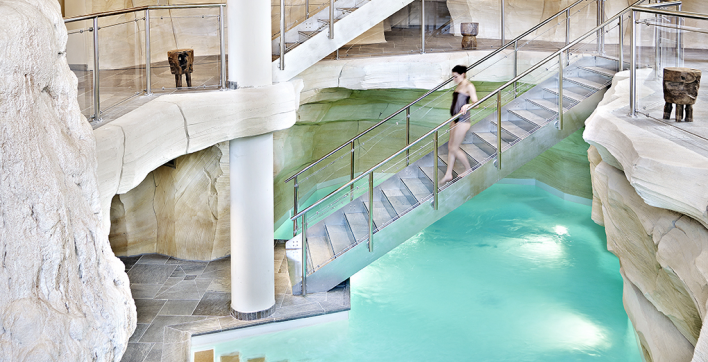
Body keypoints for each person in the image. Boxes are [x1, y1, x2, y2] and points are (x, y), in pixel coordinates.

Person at [440, 65, 478, 185]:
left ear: (462, 74)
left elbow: (476, 103)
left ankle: (468, 169)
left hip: (463, 121)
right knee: (450, 146)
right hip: (455, 119)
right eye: (453, 77)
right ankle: (448, 174)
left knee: (454, 148)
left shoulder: (469, 85)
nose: (454, 79)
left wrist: (468, 105)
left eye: (455, 76)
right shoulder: (459, 85)